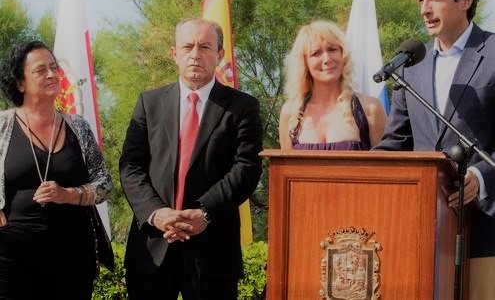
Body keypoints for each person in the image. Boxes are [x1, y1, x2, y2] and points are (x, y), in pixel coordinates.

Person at [374, 0, 495, 299]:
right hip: (421, 237)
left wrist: (480, 177)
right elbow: (395, 143)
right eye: (420, 1)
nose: (425, 9)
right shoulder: (411, 68)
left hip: (485, 231)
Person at [119, 17, 263, 300]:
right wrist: (156, 213)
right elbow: (130, 166)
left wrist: (204, 213)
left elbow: (246, 168)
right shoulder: (149, 103)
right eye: (187, 47)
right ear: (174, 54)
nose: (195, 55)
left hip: (213, 249)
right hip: (153, 247)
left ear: (220, 54)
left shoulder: (242, 107)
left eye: (205, 47)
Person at [0, 40, 113, 299]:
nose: (52, 74)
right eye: (41, 70)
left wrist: (69, 194)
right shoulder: (2, 126)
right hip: (10, 257)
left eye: (54, 68)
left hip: (73, 255)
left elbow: (104, 183)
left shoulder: (78, 127)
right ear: (20, 83)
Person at [279, 19, 387, 150]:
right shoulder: (290, 113)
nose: (327, 59)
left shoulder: (370, 109)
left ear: (343, 55)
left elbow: (386, 167)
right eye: (316, 53)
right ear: (304, 63)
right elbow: (284, 168)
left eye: (332, 49)